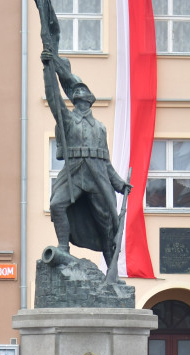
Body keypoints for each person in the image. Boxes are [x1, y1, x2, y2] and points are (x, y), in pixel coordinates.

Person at [40, 46, 130, 269]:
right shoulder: (69, 121)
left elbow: (106, 162)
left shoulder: (100, 128)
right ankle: (63, 247)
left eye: (83, 97)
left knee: (108, 223)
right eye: (77, 97)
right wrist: (47, 70)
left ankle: (113, 272)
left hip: (97, 174)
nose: (80, 100)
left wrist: (119, 184)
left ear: (89, 101)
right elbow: (54, 100)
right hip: (75, 170)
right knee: (56, 204)